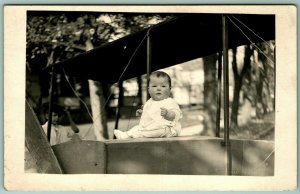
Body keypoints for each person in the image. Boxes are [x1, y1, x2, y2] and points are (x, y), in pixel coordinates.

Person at [114, 71, 182, 139]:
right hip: (150, 127)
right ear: (149, 89)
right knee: (137, 128)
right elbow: (148, 116)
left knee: (154, 131)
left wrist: (168, 114)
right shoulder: (149, 102)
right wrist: (142, 113)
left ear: (169, 89)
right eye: (154, 86)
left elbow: (176, 115)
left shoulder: (169, 102)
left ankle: (136, 135)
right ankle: (126, 135)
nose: (158, 88)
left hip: (167, 129)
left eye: (163, 86)